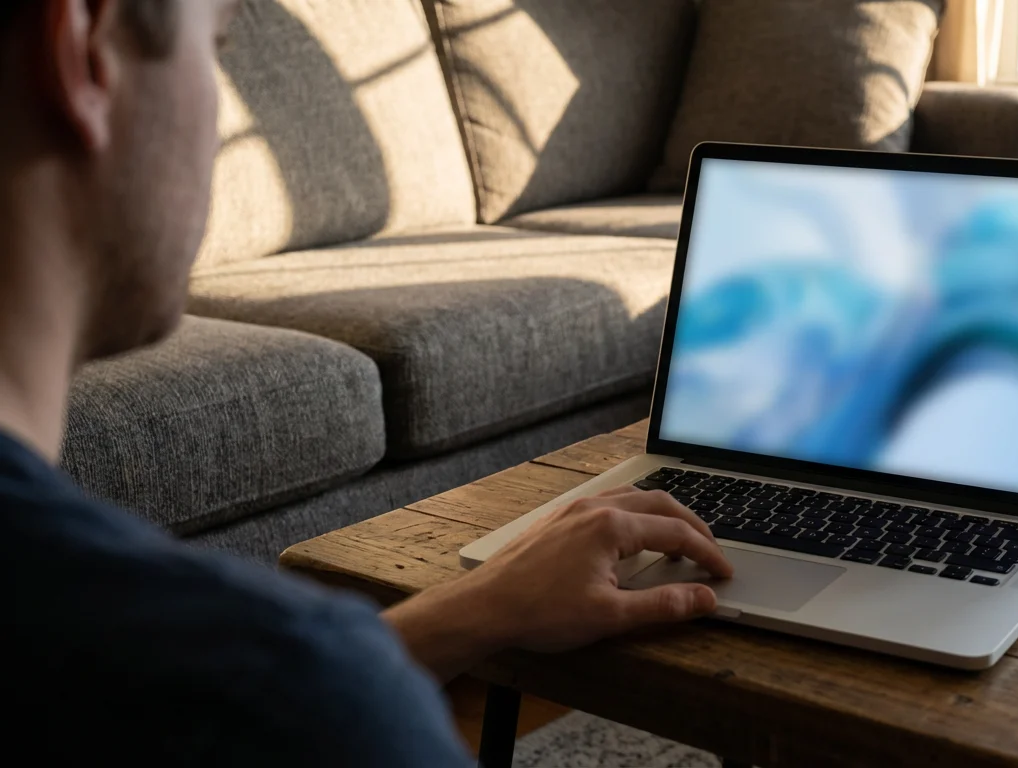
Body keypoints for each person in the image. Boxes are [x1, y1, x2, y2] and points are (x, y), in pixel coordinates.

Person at [0, 0, 732, 763]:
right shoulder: (293, 694)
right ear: (85, 55)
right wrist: (334, 676)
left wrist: (474, 611)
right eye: (214, 49)